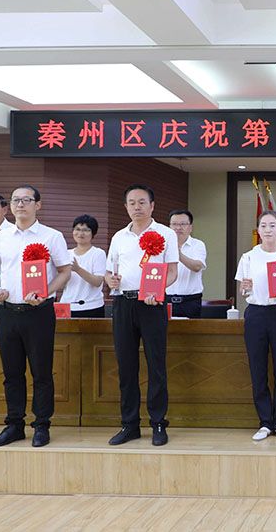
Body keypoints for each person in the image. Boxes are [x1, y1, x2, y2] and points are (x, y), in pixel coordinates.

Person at [0, 185, 71, 447]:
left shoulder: (51, 236)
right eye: (15, 200)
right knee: (12, 373)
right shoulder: (1, 236)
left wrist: (46, 292)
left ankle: (41, 425)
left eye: (26, 200)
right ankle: (14, 425)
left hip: (38, 313)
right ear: (10, 206)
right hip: (7, 312)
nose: (20, 205)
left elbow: (65, 271)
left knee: (41, 372)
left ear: (38, 205)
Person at [104, 184, 178, 447]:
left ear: (152, 205)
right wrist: (110, 280)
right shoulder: (119, 237)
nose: (137, 207)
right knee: (126, 366)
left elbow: (172, 272)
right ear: (126, 207)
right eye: (132, 203)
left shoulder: (166, 234)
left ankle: (158, 422)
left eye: (142, 202)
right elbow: (108, 271)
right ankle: (129, 424)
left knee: (156, 364)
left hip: (152, 304)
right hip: (123, 304)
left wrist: (158, 291)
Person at [235, 211, 276, 441]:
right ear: (258, 230)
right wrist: (244, 287)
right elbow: (243, 289)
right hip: (256, 314)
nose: (268, 229)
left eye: (272, 225)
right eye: (263, 225)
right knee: (258, 368)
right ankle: (264, 422)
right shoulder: (248, 257)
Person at [60, 215, 106, 318]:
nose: (80, 233)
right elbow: (61, 283)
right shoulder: (66, 254)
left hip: (92, 307)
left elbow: (98, 282)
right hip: (67, 306)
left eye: (86, 230)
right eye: (77, 229)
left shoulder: (98, 253)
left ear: (93, 233)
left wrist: (78, 269)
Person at [165, 209, 206, 319]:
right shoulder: (162, 245)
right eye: (174, 224)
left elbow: (197, 266)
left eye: (183, 224)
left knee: (191, 330)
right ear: (169, 227)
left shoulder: (198, 245)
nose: (178, 228)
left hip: (190, 302)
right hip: (166, 299)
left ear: (190, 227)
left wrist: (178, 254)